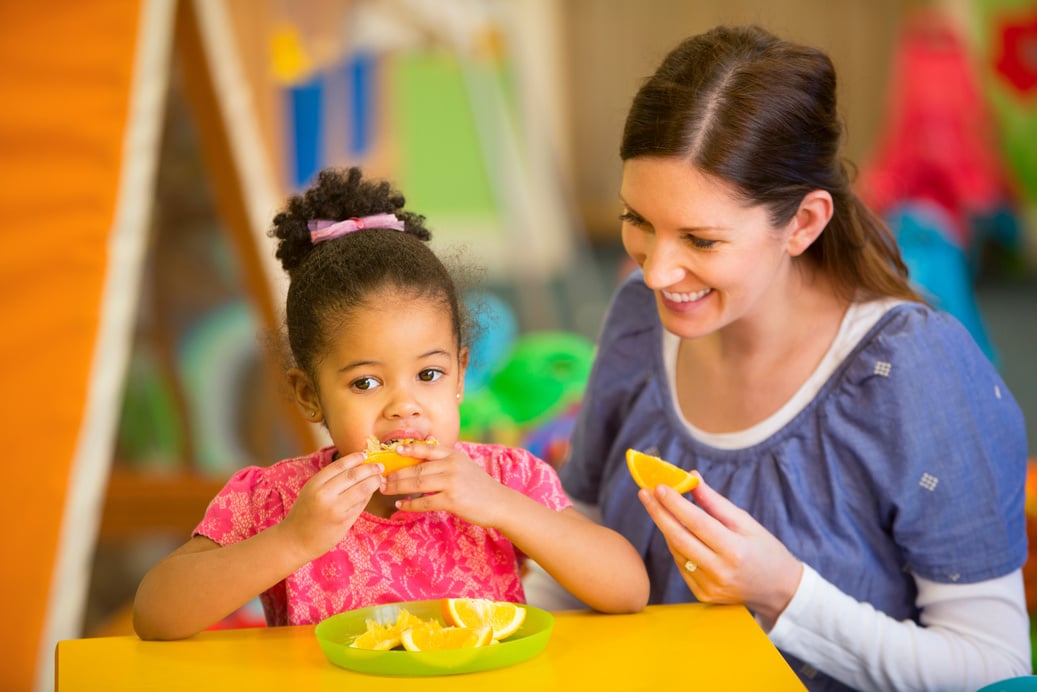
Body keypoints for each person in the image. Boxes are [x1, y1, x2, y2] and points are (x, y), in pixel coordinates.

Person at [553, 25, 1030, 691]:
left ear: (803, 223)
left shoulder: (913, 371)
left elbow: (996, 666)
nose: (658, 271)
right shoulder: (640, 313)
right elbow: (579, 536)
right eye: (638, 220)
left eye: (699, 238)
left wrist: (782, 592)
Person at [133, 167, 649, 640]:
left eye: (428, 374)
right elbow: (156, 614)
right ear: (310, 395)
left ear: (460, 376)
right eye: (365, 383)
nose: (404, 406)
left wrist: (500, 506)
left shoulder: (506, 479)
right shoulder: (277, 499)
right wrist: (294, 540)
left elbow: (628, 590)